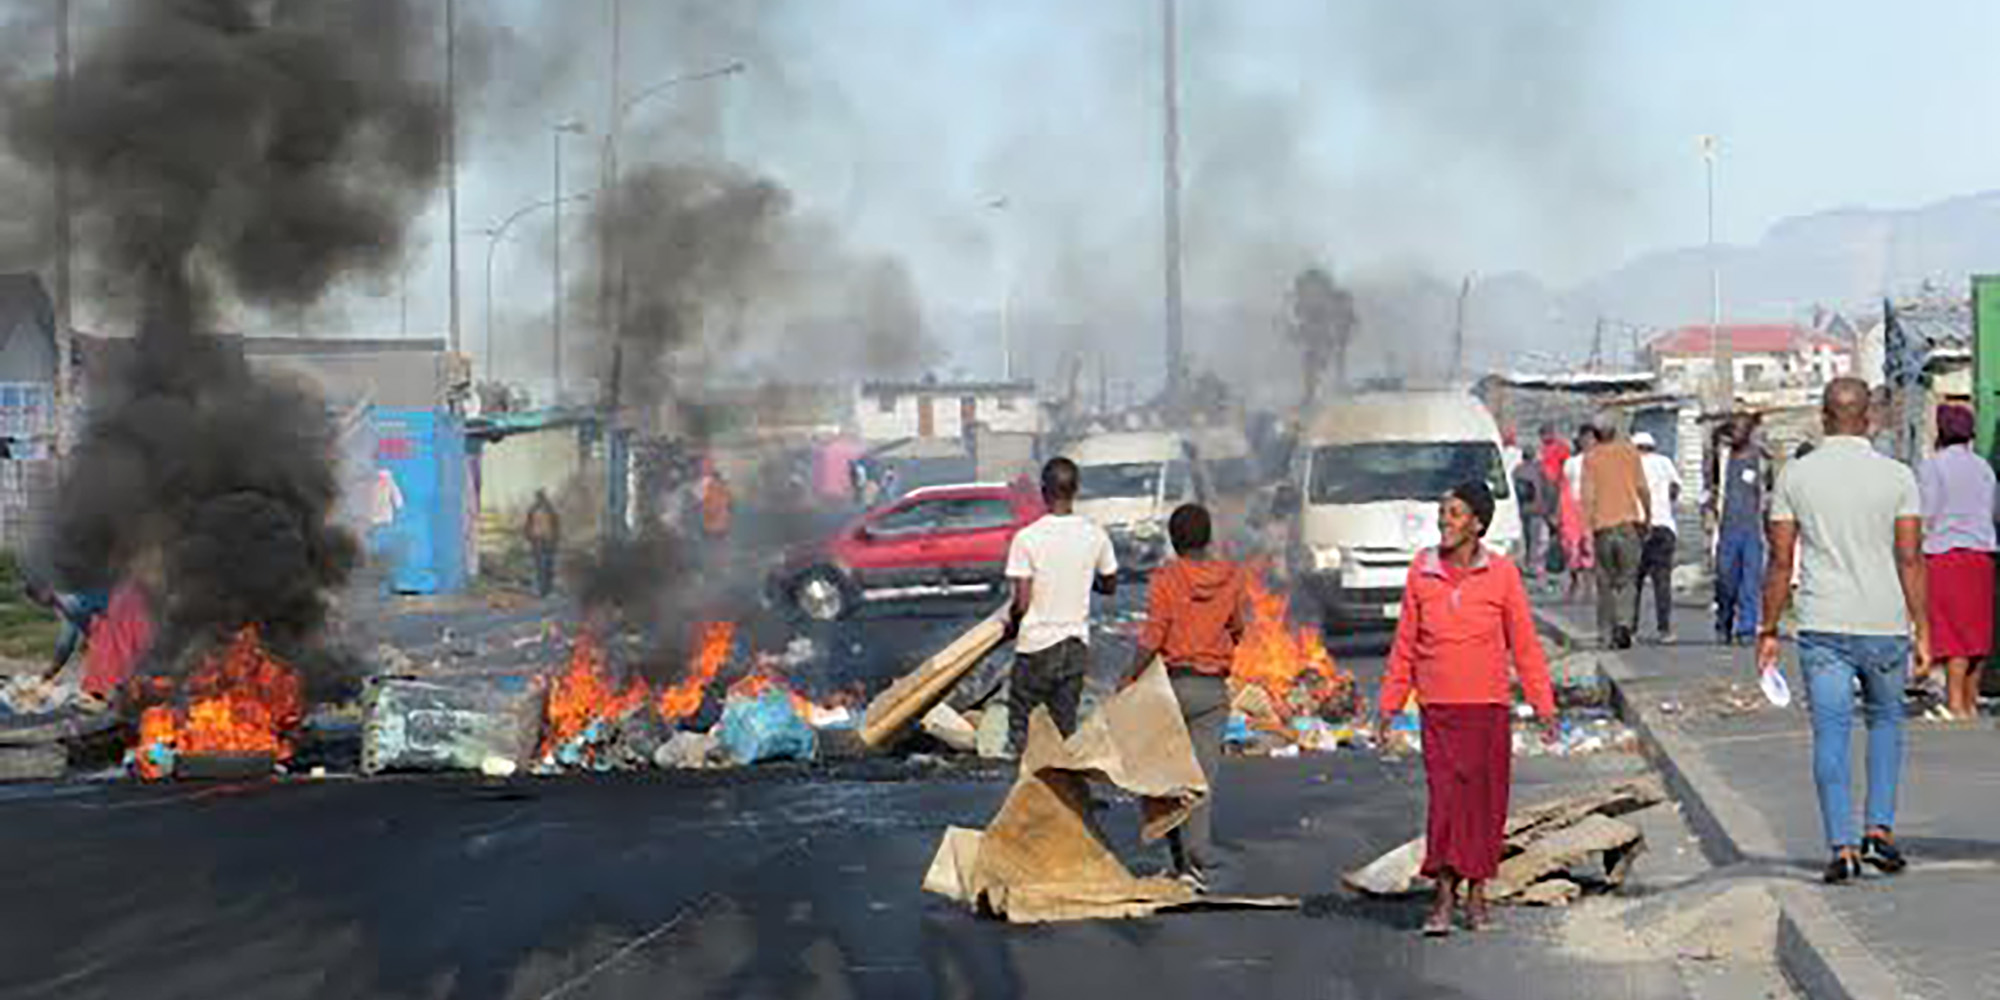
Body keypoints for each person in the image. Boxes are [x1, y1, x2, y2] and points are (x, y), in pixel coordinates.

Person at [1758, 377, 1929, 885]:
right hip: (1885, 623)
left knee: (1830, 733)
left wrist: (1766, 627)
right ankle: (1879, 829)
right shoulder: (1898, 477)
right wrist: (1924, 628)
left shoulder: (1796, 476)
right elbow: (1911, 556)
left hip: (1822, 623)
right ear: (1870, 418)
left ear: (1823, 416)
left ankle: (1841, 846)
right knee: (1885, 725)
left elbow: (1780, 560)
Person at [1376, 481, 1558, 936]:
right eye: (1443, 513)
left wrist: (1543, 702)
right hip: (1438, 708)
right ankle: (1442, 898)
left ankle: (1477, 896)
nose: (1445, 521)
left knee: (1484, 804)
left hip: (1488, 707)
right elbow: (1405, 645)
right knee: (1446, 802)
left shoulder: (1501, 574)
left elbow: (1525, 644)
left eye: (1455, 514)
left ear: (1477, 523)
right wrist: (1389, 704)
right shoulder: (1422, 571)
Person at [1124, 503, 1245, 890]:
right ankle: (1197, 859)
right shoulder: (1231, 577)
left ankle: (1176, 861)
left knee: (1167, 776)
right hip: (1211, 691)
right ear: (1208, 539)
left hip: (1170, 688)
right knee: (1199, 780)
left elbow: (1153, 636)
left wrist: (1130, 676)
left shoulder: (1165, 579)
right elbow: (1238, 627)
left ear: (1174, 542)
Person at [1005, 457, 1119, 754]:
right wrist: (1084, 578)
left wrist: (1012, 625)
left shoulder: (1026, 539)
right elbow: (1110, 585)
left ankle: (1029, 795)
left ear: (1043, 491)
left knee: (1024, 732)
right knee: (1063, 729)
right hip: (1074, 647)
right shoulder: (1095, 535)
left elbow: (1022, 602)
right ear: (1075, 490)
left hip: (1035, 647)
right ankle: (1063, 796)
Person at [1916, 404, 1994, 720]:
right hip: (1982, 555)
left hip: (1945, 555)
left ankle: (1955, 703)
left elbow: (1926, 512)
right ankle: (1971, 701)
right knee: (1977, 633)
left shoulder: (1932, 468)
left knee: (1952, 635)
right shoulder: (1983, 467)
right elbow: (1994, 510)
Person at [1581, 418, 1651, 649]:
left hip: (1603, 528)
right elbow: (1642, 487)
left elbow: (1588, 496)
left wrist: (1586, 529)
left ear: (1595, 434)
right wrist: (1648, 516)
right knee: (1628, 580)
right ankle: (1624, 624)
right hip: (1627, 524)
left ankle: (1606, 633)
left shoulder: (1591, 458)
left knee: (1605, 582)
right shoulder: (1630, 453)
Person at [1710, 415, 1769, 645]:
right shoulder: (1723, 458)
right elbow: (1713, 484)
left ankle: (1747, 628)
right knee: (1726, 580)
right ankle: (1723, 620)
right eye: (1732, 430)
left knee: (1751, 581)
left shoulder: (1760, 459)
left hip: (1752, 528)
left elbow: (1768, 492)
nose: (1736, 435)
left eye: (1741, 430)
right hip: (1726, 527)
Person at [1633, 432, 1682, 642]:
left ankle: (1631, 629)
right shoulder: (1664, 462)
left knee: (1633, 582)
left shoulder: (1630, 464)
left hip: (1638, 527)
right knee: (1662, 581)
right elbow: (1675, 487)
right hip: (1664, 526)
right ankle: (1665, 630)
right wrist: (1664, 502)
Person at [24, 581, 110, 681]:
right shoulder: (64, 603)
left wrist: (55, 667)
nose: (39, 603)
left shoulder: (69, 600)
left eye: (37, 599)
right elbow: (69, 637)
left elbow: (67, 640)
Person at [1559, 426, 1598, 601]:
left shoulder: (1602, 462)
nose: (1588, 442)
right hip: (1573, 509)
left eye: (1591, 439)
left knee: (1590, 548)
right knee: (1572, 548)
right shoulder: (1572, 463)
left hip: (1594, 508)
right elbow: (1563, 488)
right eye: (1585, 439)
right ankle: (1575, 582)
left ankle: (1589, 586)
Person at [1513, 443, 1554, 588]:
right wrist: (1549, 508)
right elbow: (1548, 488)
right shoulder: (1539, 470)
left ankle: (1527, 564)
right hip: (1537, 509)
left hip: (1522, 509)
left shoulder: (1517, 470)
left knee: (1527, 538)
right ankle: (1535, 566)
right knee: (1538, 540)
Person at [523, 490, 560, 598]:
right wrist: (529, 537)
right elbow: (528, 525)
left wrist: (555, 539)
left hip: (547, 541)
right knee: (541, 567)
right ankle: (541, 590)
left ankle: (546, 590)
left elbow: (555, 525)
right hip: (538, 541)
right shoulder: (535, 510)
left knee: (547, 567)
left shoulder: (549, 510)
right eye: (540, 497)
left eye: (542, 497)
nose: (541, 499)